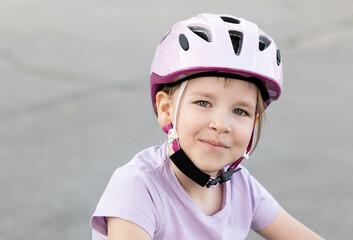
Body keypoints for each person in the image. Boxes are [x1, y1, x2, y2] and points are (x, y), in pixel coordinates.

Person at [91, 13, 323, 239]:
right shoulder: (137, 188)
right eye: (203, 102)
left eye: (240, 111)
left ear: (254, 122)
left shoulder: (242, 188)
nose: (221, 125)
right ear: (166, 109)